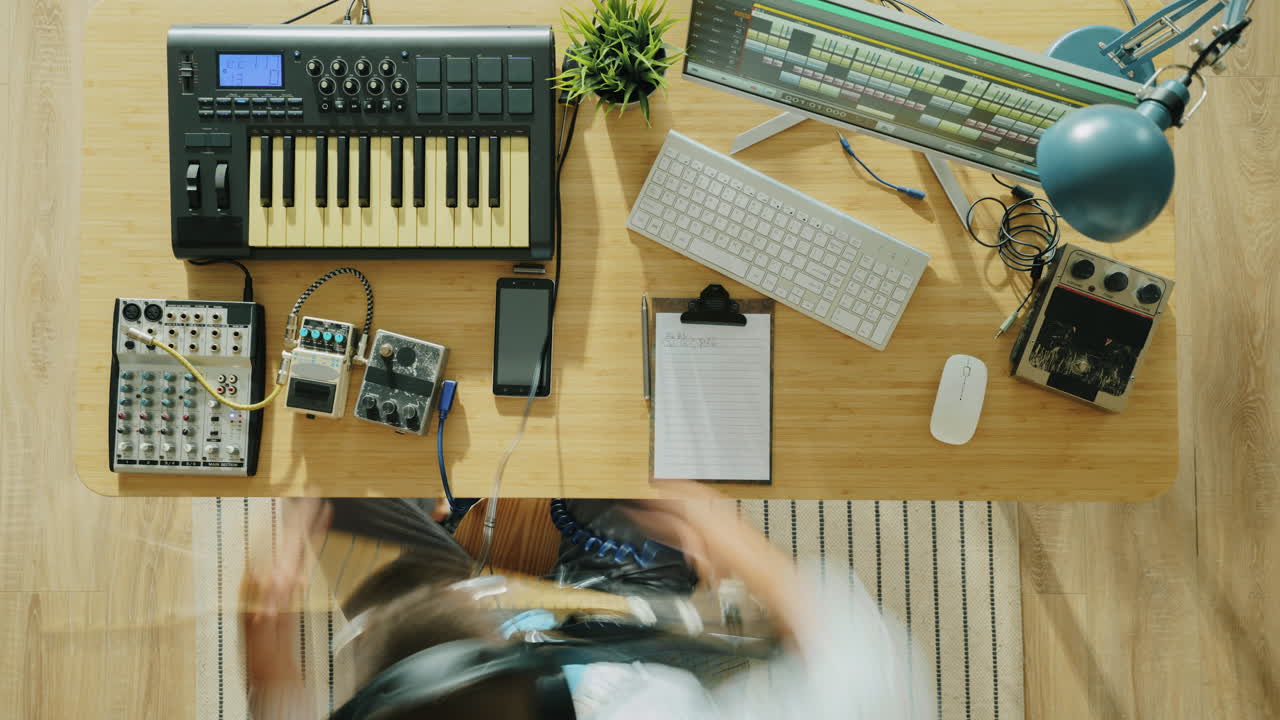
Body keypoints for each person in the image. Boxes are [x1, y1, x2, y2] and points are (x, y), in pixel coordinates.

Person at [241, 485, 930, 719]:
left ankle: (441, 537)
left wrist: (273, 682)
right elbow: (865, 674)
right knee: (639, 446)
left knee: (337, 477)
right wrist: (720, 527)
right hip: (624, 624)